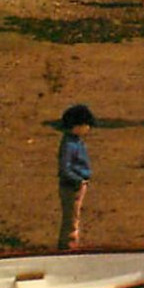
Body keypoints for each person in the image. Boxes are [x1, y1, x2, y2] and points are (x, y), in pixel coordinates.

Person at [56, 104, 94, 249]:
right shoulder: (70, 145)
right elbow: (65, 168)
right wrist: (78, 180)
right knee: (71, 218)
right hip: (72, 186)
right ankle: (68, 245)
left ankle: (70, 243)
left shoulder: (75, 142)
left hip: (76, 184)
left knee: (74, 215)